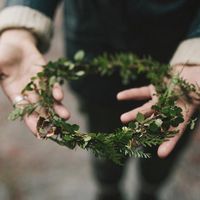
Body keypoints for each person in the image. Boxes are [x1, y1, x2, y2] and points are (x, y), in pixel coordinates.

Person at [0, 1, 200, 199]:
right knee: (104, 138)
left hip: (182, 59)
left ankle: (150, 188)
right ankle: (108, 188)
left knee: (166, 141)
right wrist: (20, 25)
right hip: (94, 47)